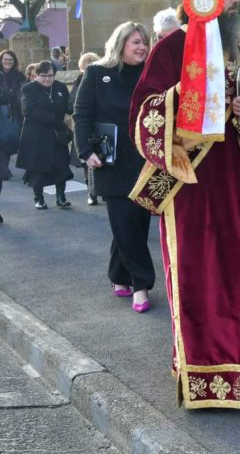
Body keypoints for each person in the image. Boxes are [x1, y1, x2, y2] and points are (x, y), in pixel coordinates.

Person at [128, 0, 240, 409]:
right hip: (192, 187)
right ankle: (204, 368)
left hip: (239, 182)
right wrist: (185, 96)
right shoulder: (169, 49)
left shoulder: (239, 47)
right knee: (203, 275)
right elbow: (143, 115)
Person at [73, 23, 155, 313]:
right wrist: (85, 151)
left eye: (144, 42)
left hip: (145, 159)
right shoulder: (97, 73)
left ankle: (118, 275)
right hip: (112, 160)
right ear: (120, 44)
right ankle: (141, 284)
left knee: (136, 224)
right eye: (136, 42)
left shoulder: (151, 74)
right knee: (124, 221)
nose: (142, 47)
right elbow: (82, 114)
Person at [17, 61, 73, 209]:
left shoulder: (60, 87)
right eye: (44, 75)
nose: (48, 79)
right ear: (36, 75)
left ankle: (61, 197)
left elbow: (69, 107)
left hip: (57, 135)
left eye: (51, 75)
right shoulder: (28, 89)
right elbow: (28, 111)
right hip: (37, 135)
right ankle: (39, 198)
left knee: (61, 166)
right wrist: (53, 119)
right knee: (38, 169)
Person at [70, 52, 102, 206]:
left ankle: (102, 191)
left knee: (103, 158)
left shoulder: (102, 80)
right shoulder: (78, 82)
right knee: (86, 161)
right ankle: (91, 192)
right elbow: (71, 105)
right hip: (84, 126)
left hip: (100, 126)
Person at [0, 50, 26, 224]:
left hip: (12, 116)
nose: (8, 62)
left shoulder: (18, 76)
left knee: (9, 142)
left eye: (10, 59)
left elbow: (18, 96)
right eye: (5, 59)